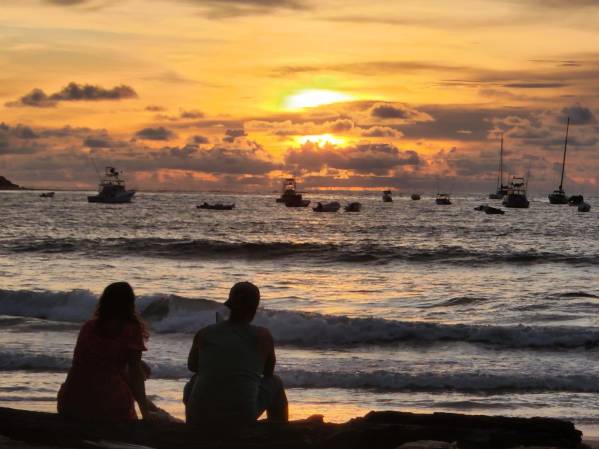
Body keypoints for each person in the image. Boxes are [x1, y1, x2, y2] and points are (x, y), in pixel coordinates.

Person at [185, 281, 288, 426]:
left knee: (192, 382)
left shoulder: (205, 332)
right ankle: (279, 429)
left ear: (229, 305)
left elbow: (193, 366)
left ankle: (194, 422)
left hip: (199, 416)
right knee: (276, 382)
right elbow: (268, 373)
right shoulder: (262, 335)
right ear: (254, 308)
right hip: (241, 417)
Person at [57, 282, 158, 421]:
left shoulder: (88, 327)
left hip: (71, 399)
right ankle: (150, 410)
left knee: (137, 367)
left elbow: (95, 362)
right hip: (107, 404)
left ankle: (151, 407)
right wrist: (145, 413)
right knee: (137, 369)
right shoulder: (130, 329)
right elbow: (135, 374)